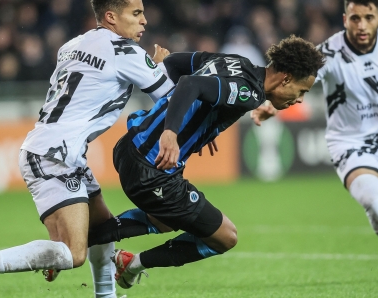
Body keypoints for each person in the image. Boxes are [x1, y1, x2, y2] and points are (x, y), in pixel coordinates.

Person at [0, 1, 176, 297]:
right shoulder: (124, 51)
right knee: (72, 252)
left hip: (57, 149)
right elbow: (167, 95)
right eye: (136, 14)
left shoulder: (71, 45)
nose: (144, 20)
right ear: (110, 17)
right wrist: (161, 65)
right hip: (55, 156)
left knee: (103, 227)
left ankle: (104, 294)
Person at [87, 35, 325, 289]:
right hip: (152, 168)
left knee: (168, 219)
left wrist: (199, 122)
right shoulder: (249, 92)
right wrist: (171, 131)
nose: (299, 99)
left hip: (128, 145)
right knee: (225, 237)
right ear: (286, 78)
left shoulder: (235, 61)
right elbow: (190, 85)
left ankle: (86, 239)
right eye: (301, 91)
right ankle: (122, 261)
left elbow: (174, 64)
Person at [253, 0, 378, 284]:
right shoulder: (329, 53)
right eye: (355, 18)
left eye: (368, 18)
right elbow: (296, 82)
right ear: (345, 18)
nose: (361, 25)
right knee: (372, 200)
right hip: (349, 143)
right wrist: (271, 105)